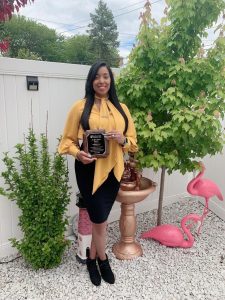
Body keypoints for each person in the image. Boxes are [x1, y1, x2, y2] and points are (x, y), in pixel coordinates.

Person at [58, 61, 138, 286]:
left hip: (113, 170)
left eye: (106, 76)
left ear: (110, 80)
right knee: (100, 219)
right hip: (88, 170)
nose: (102, 81)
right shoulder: (79, 107)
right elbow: (66, 141)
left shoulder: (122, 108)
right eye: (97, 77)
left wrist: (122, 139)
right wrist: (77, 153)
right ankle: (103, 260)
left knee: (99, 219)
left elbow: (132, 142)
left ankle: (92, 258)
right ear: (91, 81)